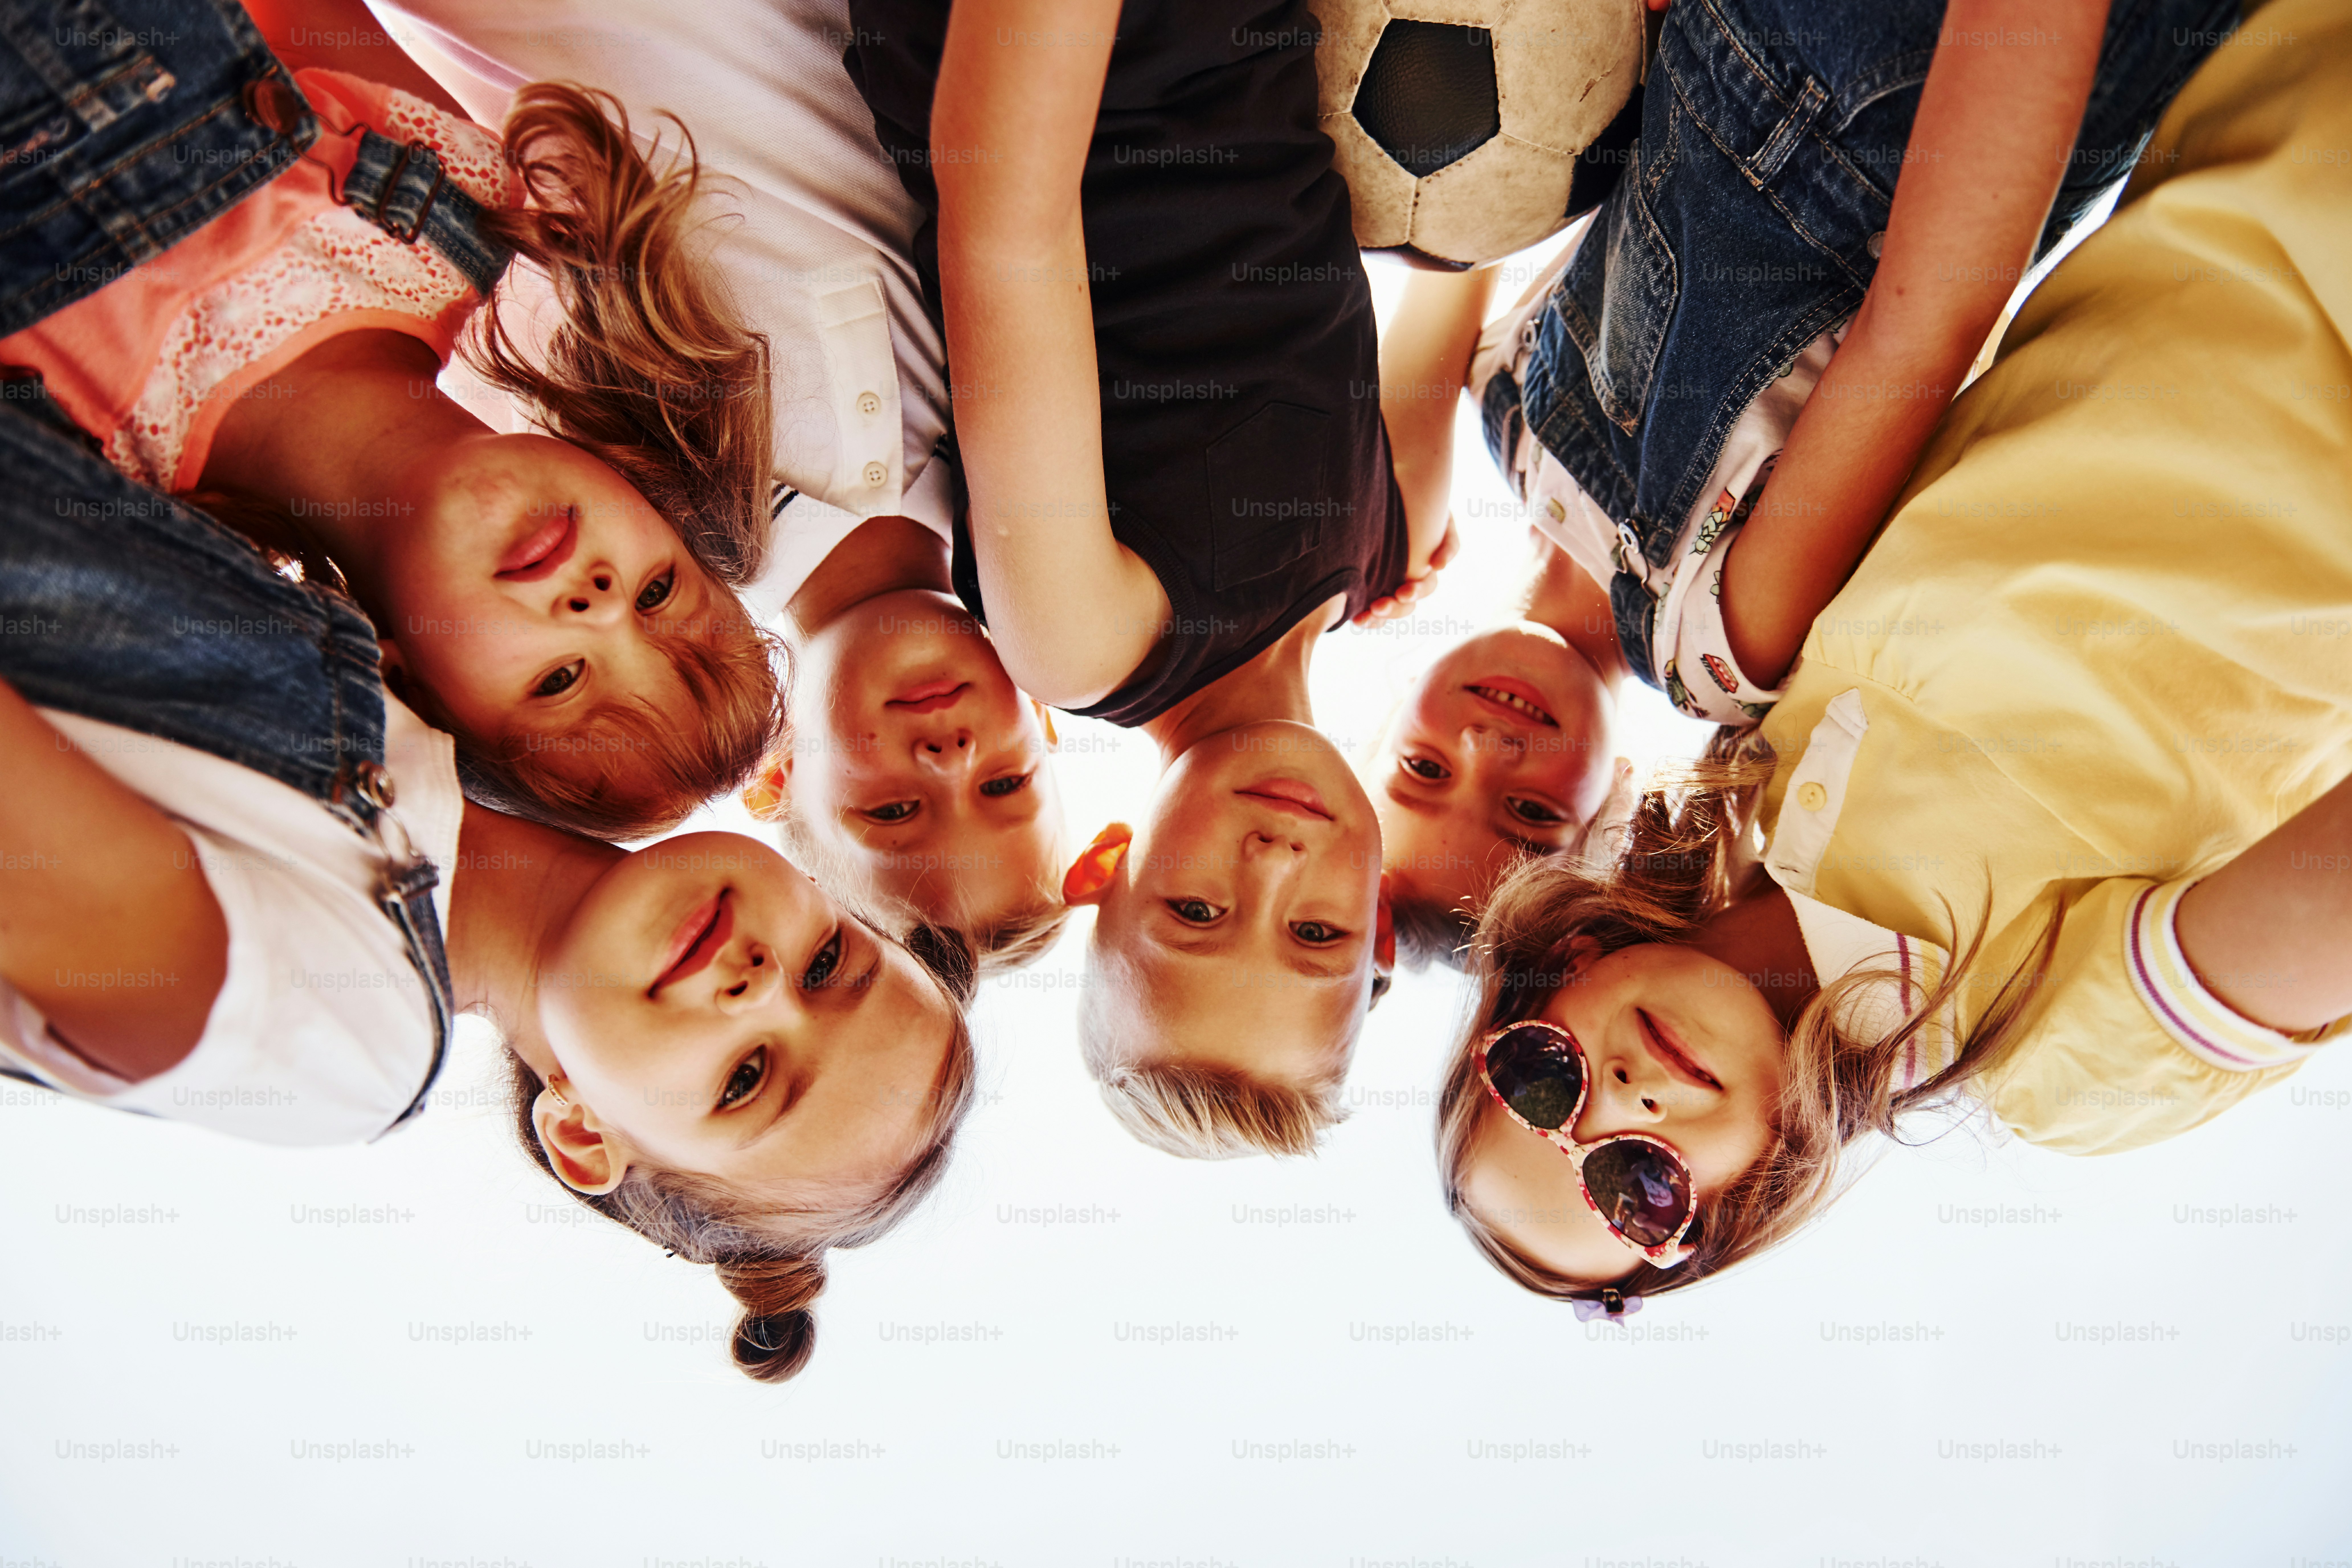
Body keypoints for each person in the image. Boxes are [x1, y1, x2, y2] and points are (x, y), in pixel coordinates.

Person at [1433, 0, 2352, 1314]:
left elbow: (1931, 310)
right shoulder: (2046, 1055)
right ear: (1739, 1201)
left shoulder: (1769, 711)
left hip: (2291, 100)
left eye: (1542, 1084)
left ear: (1555, 985)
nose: (1618, 1104)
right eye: (1634, 1185)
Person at [0, 400, 977, 1383]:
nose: (760, 984)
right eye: (825, 963)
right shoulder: (429, 679)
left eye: (744, 1079)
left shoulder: (352, 1045)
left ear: (585, 1136)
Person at [369, 0, 1073, 958]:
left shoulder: (632, 536)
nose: (951, 759)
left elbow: (450, 264)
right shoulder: (1030, 478)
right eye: (1004, 783)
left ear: (779, 776)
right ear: (1041, 720)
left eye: (895, 809)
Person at [0, 0, 781, 841]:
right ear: (645, 491)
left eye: (561, 681)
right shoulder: (448, 202)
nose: (597, 606)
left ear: (409, 687)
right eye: (658, 590)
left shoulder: (95, 495)